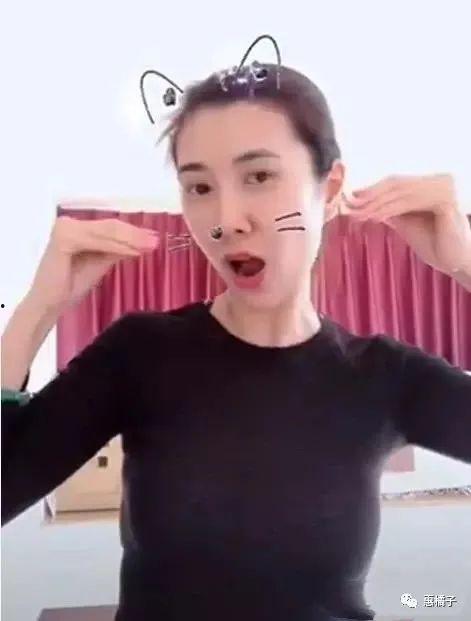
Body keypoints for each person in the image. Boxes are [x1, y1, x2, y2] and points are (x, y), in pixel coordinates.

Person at [2, 61, 470, 621]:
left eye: (259, 176)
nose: (226, 221)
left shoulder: (385, 376)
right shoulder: (140, 354)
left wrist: (466, 264)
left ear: (330, 189)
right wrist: (37, 309)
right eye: (199, 187)